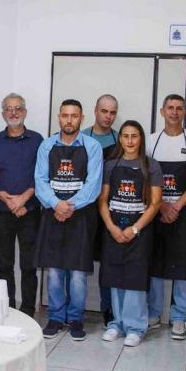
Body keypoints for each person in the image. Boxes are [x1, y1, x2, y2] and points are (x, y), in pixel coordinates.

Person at [35, 100, 103, 341]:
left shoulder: (93, 147)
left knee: (77, 272)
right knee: (54, 270)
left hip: (80, 216)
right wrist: (56, 204)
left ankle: (75, 319)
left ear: (81, 118)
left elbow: (93, 186)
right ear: (58, 117)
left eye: (74, 116)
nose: (69, 120)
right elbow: (40, 180)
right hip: (53, 214)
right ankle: (55, 317)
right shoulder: (46, 146)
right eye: (65, 115)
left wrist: (68, 206)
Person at [147, 94, 186, 340]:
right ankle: (153, 313)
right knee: (155, 262)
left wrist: (176, 206)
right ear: (162, 112)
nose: (174, 112)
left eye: (179, 108)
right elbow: (146, 177)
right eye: (170, 108)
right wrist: (161, 206)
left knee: (182, 265)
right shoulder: (151, 142)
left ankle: (179, 317)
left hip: (183, 212)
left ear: (184, 112)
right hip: (156, 210)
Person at [98, 121, 162, 346]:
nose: (130, 141)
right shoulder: (111, 165)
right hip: (114, 229)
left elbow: (155, 203)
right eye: (125, 136)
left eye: (134, 136)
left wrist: (135, 229)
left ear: (141, 138)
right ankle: (117, 323)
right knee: (115, 277)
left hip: (140, 231)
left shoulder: (151, 165)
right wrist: (112, 227)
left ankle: (136, 327)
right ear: (120, 139)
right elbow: (103, 200)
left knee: (135, 279)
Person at [0, 93, 43, 316]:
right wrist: (9, 200)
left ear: (25, 112)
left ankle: (27, 311)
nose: (14, 112)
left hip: (30, 212)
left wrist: (23, 200)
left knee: (29, 266)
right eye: (9, 108)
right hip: (2, 212)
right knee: (5, 265)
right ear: (3, 114)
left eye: (18, 108)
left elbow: (41, 175)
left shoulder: (38, 140)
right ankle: (7, 309)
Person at [82, 94, 119, 322]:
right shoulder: (83, 137)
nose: (108, 116)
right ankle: (75, 310)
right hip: (85, 207)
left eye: (113, 112)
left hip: (111, 209)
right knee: (79, 260)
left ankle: (108, 310)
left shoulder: (121, 140)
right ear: (95, 111)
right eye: (104, 111)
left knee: (109, 262)